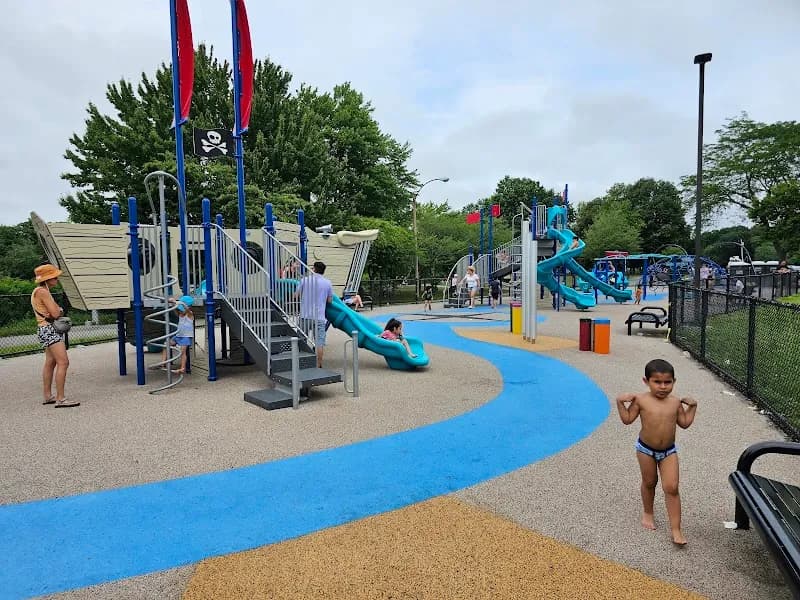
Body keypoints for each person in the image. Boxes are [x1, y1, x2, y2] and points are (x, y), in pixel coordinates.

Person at [616, 359, 697, 546]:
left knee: (672, 487)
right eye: (657, 382)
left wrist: (692, 407)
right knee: (649, 482)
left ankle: (676, 529)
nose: (662, 387)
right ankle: (648, 512)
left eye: (667, 382)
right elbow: (627, 419)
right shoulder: (641, 400)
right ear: (646, 381)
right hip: (645, 449)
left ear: (674, 381)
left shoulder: (675, 402)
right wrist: (620, 403)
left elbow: (684, 423)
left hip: (669, 451)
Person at [31, 264, 79, 408]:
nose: (57, 279)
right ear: (48, 278)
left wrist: (56, 310)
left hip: (43, 329)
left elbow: (53, 311)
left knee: (50, 362)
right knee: (63, 362)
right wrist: (58, 310)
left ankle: (48, 396)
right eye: (54, 276)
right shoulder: (43, 292)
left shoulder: (38, 291)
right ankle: (61, 398)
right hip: (49, 330)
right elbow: (56, 313)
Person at [294, 261, 333, 368]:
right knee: (319, 342)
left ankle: (302, 363)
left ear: (314, 269)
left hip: (305, 316)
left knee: (302, 340)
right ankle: (319, 365)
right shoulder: (328, 283)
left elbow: (296, 296)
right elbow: (330, 300)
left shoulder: (304, 280)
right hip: (320, 317)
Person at [161, 296, 193, 374]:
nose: (180, 310)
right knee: (166, 344)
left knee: (182, 352)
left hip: (185, 337)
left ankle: (182, 368)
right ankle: (162, 363)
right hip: (178, 336)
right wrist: (172, 303)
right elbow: (175, 309)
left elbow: (187, 309)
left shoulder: (190, 314)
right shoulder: (180, 314)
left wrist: (176, 301)